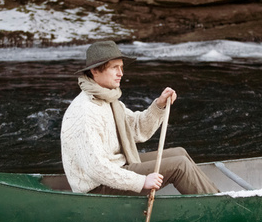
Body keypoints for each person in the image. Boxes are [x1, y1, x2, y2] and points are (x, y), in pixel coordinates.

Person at [60, 40, 219, 195]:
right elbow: (96, 169)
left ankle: (218, 195)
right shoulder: (85, 111)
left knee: (180, 153)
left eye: (121, 67)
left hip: (118, 168)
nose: (121, 73)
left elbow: (137, 128)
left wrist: (159, 105)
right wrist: (141, 182)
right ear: (95, 70)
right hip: (98, 187)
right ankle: (219, 207)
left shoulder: (109, 100)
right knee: (180, 165)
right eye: (115, 67)